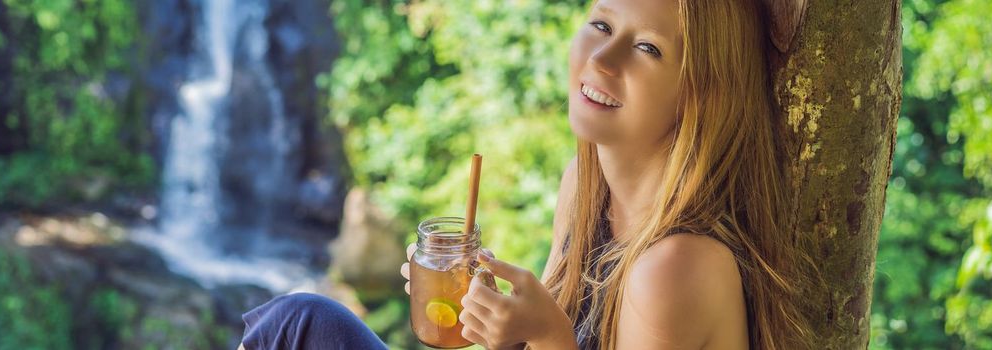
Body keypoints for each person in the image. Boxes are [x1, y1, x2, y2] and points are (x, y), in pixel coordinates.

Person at [240, 0, 817, 349]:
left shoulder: (678, 269)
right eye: (600, 24)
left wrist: (547, 336)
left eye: (646, 48)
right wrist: (497, 324)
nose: (602, 58)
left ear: (701, 97)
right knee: (297, 323)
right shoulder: (583, 190)